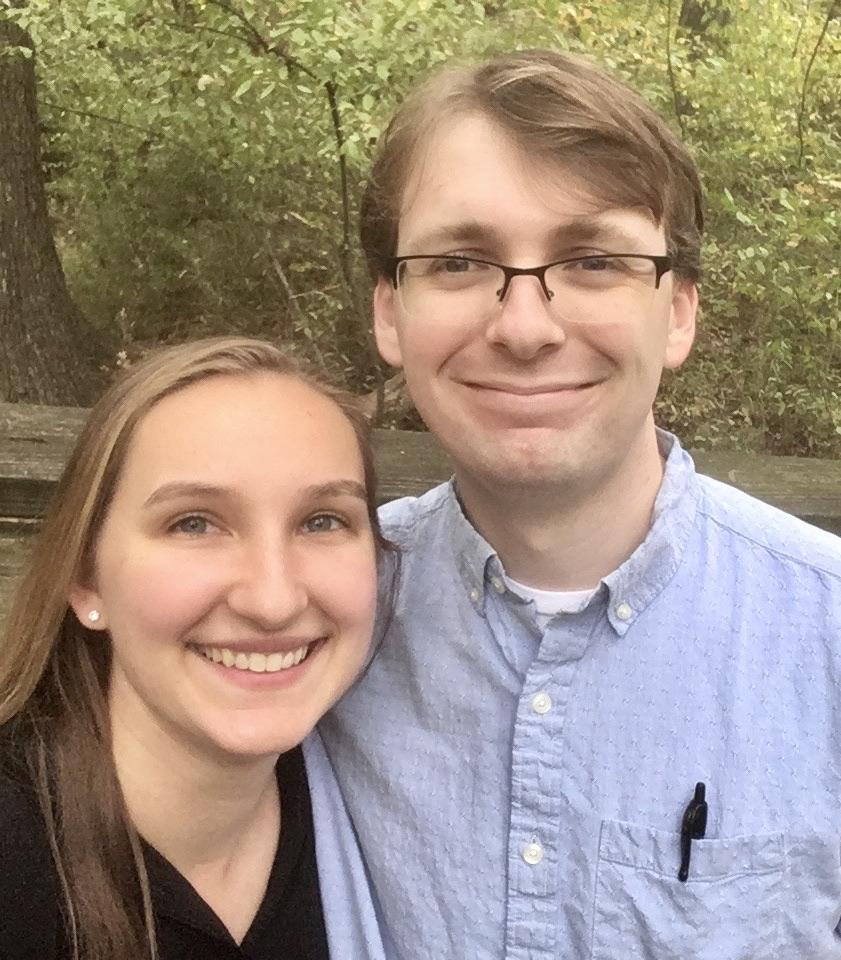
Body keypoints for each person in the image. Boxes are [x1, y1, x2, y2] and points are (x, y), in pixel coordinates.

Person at [318, 49, 841, 958]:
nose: (524, 328)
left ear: (678, 312)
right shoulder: (311, 623)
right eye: (458, 261)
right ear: (390, 311)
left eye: (594, 260)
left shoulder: (824, 634)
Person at [0, 337, 388, 960]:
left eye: (322, 521)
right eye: (194, 523)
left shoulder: (369, 816)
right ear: (86, 577)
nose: (273, 600)